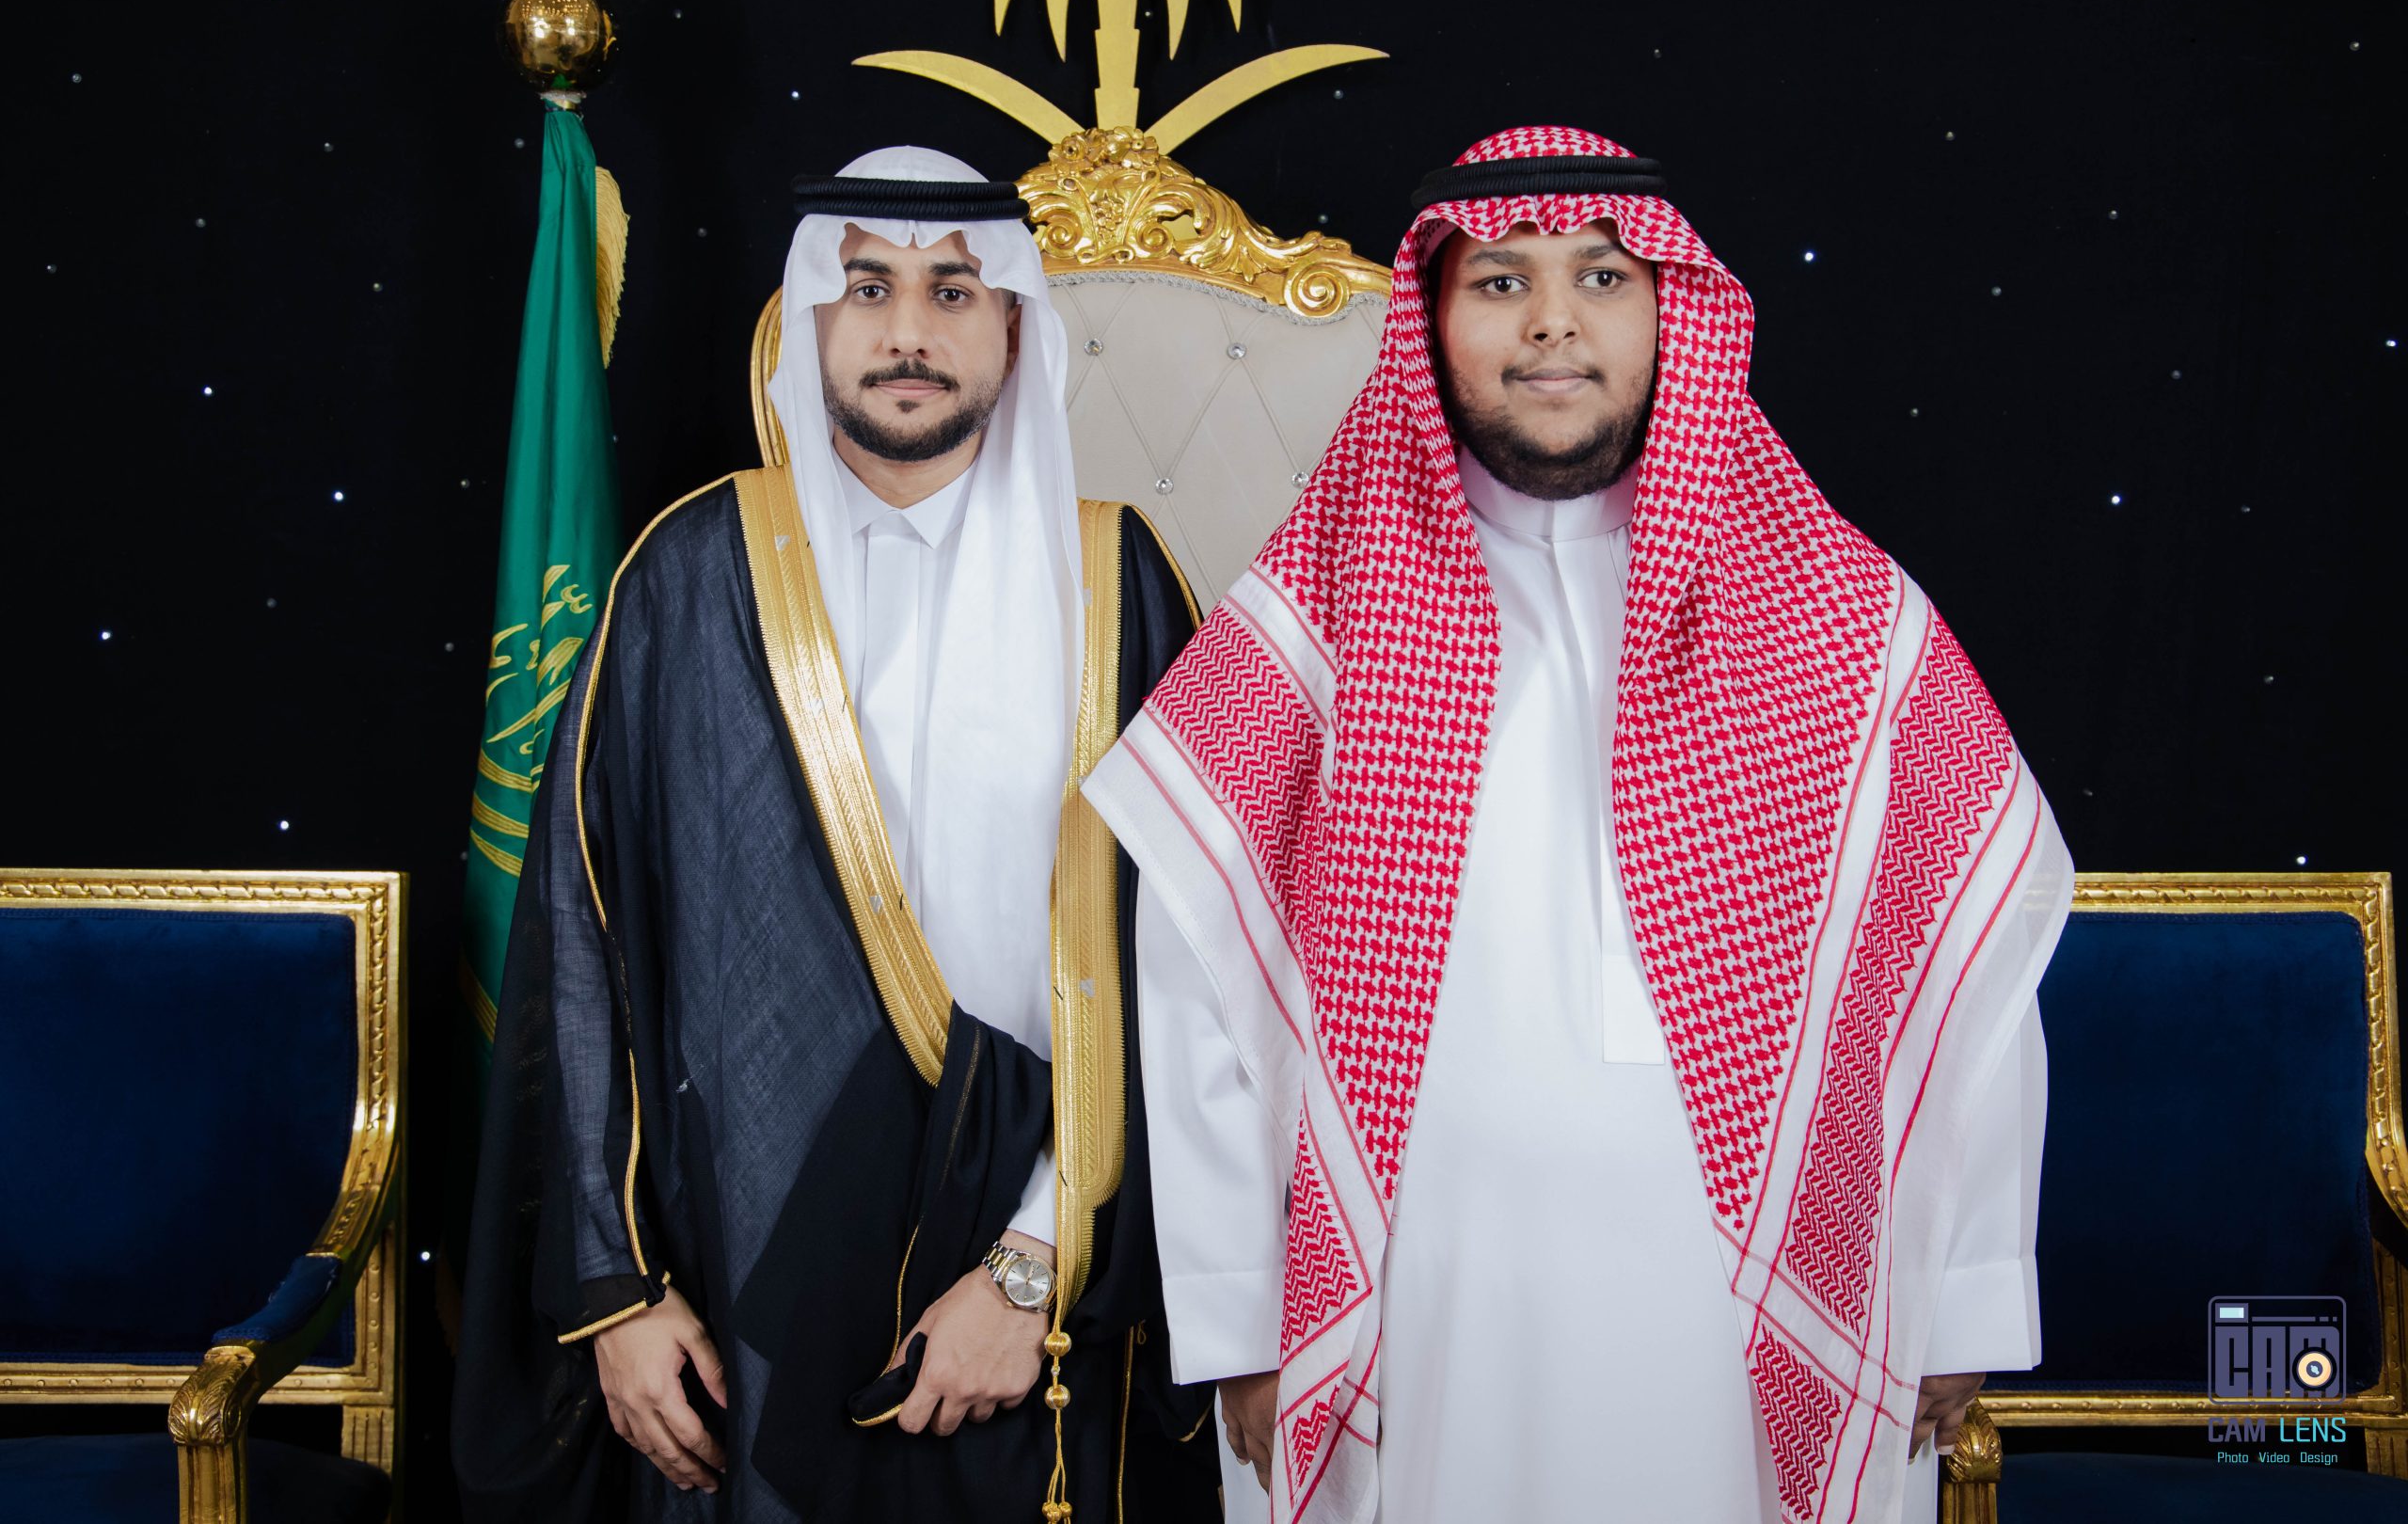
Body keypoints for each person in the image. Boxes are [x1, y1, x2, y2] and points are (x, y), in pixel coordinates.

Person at [1081, 126, 2068, 1524]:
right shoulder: (1319, 619)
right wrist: (1243, 1313)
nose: (1553, 321)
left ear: (1671, 311)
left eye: (1602, 277)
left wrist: (1965, 1287)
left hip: (1756, 1306)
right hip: (1425, 1307)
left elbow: (1965, 962)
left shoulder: (1838, 615)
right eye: (1501, 282)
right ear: (1432, 322)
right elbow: (1198, 976)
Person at [454, 147, 1219, 1523]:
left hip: (1039, 1276)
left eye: (953, 291)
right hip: (737, 1266)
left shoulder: (1119, 583)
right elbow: (581, 939)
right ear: (811, 318)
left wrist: (1036, 1264)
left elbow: (1195, 968)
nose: (908, 330)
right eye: (868, 287)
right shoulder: (688, 573)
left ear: (1015, 326)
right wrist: (618, 1291)